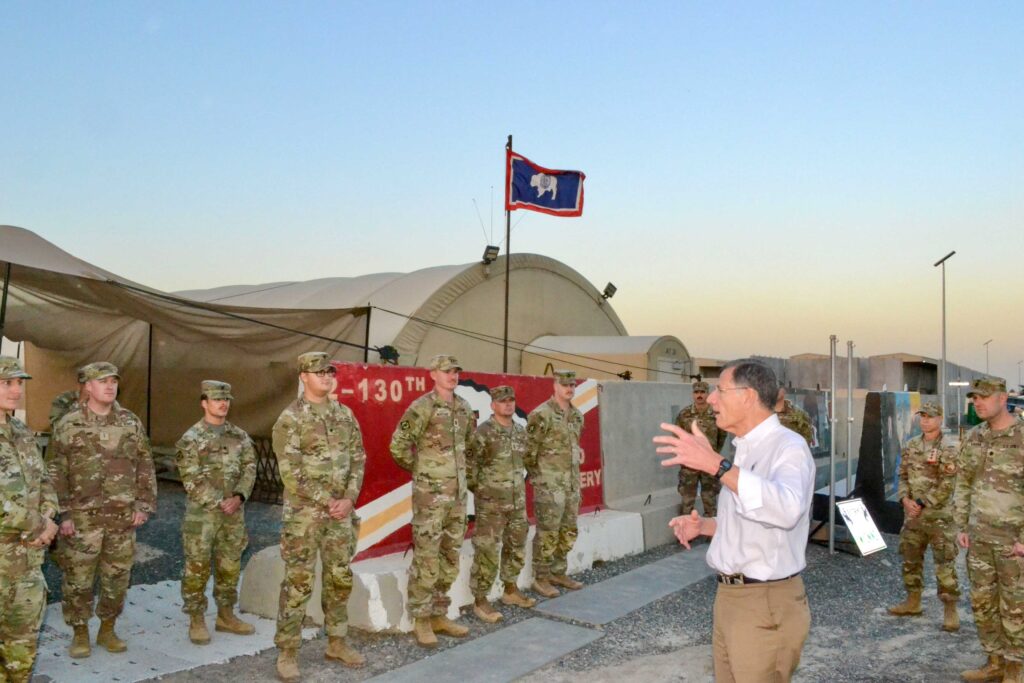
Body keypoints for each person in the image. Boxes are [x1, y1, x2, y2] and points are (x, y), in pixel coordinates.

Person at [655, 359, 814, 683]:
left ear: (747, 396)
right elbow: (749, 520)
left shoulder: (788, 447)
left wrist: (717, 465)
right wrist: (705, 526)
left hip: (764, 602)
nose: (711, 398)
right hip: (730, 599)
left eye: (720, 390)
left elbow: (785, 510)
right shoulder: (744, 449)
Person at [49, 361, 157, 658]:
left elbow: (145, 465)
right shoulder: (69, 424)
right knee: (78, 580)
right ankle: (80, 631)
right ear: (87, 386)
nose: (110, 386)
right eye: (102, 381)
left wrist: (144, 505)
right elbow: (56, 472)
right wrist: (64, 513)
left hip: (122, 517)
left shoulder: (130, 422)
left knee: (118, 577)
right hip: (82, 519)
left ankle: (107, 628)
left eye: (113, 381)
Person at [273, 352, 366, 680]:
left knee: (339, 579)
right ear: (303, 377)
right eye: (318, 372)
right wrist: (328, 500)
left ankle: (337, 641)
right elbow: (290, 472)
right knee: (298, 582)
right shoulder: (291, 419)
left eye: (329, 372)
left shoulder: (345, 415)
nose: (326, 377)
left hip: (340, 515)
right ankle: (287, 651)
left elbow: (358, 458)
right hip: (305, 517)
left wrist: (349, 498)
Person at [390, 354, 475, 647]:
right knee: (427, 556)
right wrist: (422, 471)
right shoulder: (422, 407)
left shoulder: (463, 407)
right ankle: (422, 619)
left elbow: (469, 447)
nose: (452, 376)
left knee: (450, 556)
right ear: (433, 374)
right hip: (431, 496)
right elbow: (398, 446)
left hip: (458, 497)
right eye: (447, 371)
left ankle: (439, 613)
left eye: (456, 371)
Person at [176, 380, 257, 645]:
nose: (223, 404)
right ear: (204, 403)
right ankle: (196, 618)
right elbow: (190, 478)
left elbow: (249, 468)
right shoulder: (191, 438)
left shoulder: (240, 436)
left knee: (230, 566)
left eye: (226, 400)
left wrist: (239, 497)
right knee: (197, 567)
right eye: (216, 399)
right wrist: (219, 501)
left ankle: (225, 615)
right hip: (202, 516)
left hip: (233, 514)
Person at [954, 377, 1024, 682]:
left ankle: (1015, 668)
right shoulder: (973, 437)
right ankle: (994, 662)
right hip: (979, 537)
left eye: (983, 397)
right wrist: (961, 524)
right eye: (974, 398)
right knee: (982, 603)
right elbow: (964, 481)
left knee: (1015, 607)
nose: (978, 403)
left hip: (1013, 541)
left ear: (1003, 398)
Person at [0, 357, 59, 682]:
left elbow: (44, 479)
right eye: (6, 382)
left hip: (27, 564)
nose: (15, 390)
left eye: (19, 383)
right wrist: (37, 524)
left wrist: (49, 516)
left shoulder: (21, 431)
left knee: (21, 651)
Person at [887, 402, 960, 631]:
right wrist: (905, 500)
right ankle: (913, 601)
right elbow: (902, 475)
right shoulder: (912, 445)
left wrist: (921, 502)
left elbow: (947, 484)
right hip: (913, 517)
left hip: (938, 517)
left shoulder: (948, 448)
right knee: (910, 559)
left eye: (930, 416)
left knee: (944, 564)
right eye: (922, 416)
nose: (925, 420)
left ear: (940, 419)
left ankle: (950, 609)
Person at [467, 385, 536, 623]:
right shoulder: (484, 432)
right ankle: (481, 600)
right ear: (493, 405)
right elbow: (469, 466)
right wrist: (483, 491)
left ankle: (510, 589)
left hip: (517, 502)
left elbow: (528, 460)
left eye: (511, 400)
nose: (508, 404)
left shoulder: (519, 431)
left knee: (516, 545)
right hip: (491, 504)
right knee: (486, 550)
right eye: (503, 401)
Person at [526, 369, 585, 598]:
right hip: (550, 486)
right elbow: (529, 452)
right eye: (564, 384)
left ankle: (558, 572)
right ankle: (541, 577)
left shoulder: (577, 416)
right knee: (547, 532)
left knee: (568, 530)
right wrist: (541, 479)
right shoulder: (541, 415)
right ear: (555, 386)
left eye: (572, 384)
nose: (569, 388)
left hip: (571, 485)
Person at [676, 380, 728, 517]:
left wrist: (713, 452)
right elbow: (677, 435)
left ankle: (711, 535)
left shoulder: (716, 413)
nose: (699, 395)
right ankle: (686, 533)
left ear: (707, 393)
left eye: (702, 392)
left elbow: (722, 435)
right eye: (696, 392)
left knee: (709, 499)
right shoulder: (684, 414)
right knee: (687, 499)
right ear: (693, 394)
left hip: (709, 463)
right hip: (689, 464)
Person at [48, 367, 89, 433]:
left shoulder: (106, 401)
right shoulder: (64, 399)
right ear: (79, 385)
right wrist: (80, 402)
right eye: (87, 384)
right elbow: (56, 426)